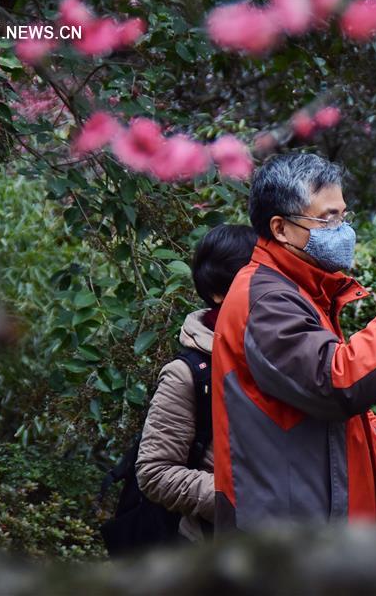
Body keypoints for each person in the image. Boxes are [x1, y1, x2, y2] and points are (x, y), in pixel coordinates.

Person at [211, 153, 376, 531]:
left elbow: (333, 426)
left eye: (344, 216)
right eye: (328, 218)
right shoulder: (266, 302)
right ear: (280, 228)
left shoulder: (304, 290)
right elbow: (337, 383)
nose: (343, 230)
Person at [135, 224, 257, 542]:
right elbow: (155, 472)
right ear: (217, 292)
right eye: (249, 280)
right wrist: (241, 501)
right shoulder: (188, 373)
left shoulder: (287, 352)